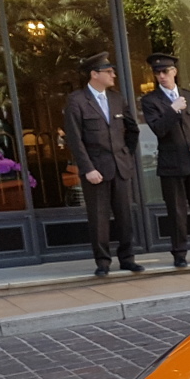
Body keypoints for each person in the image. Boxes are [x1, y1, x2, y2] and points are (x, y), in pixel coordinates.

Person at [63, 51, 142, 277]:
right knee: (99, 218)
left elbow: (132, 129)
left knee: (125, 215)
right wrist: (87, 168)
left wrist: (126, 154)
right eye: (108, 71)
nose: (113, 75)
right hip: (96, 169)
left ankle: (127, 258)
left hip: (120, 166)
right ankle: (103, 262)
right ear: (94, 74)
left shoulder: (117, 99)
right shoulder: (77, 100)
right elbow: (74, 139)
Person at [140, 53, 190, 267]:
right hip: (171, 165)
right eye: (157, 73)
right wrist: (172, 109)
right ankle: (179, 254)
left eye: (165, 72)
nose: (161, 76)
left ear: (174, 72)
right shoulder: (150, 100)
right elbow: (158, 129)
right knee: (176, 212)